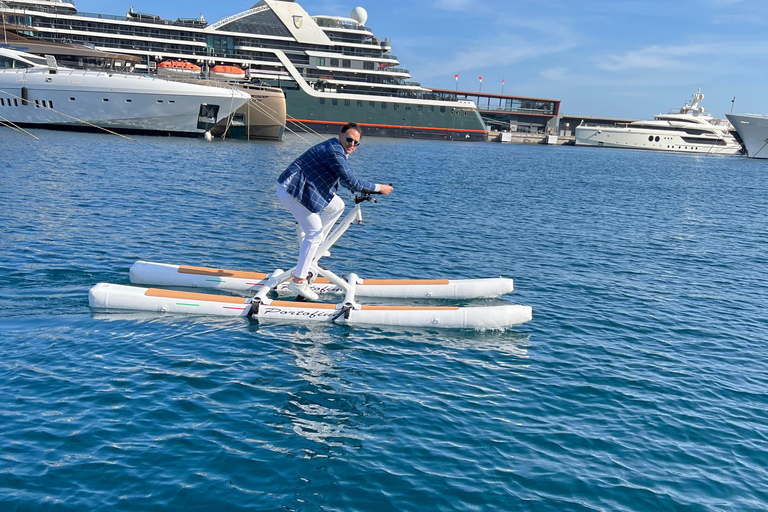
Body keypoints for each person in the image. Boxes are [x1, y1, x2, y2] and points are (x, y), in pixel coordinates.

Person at [276, 122, 393, 300]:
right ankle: (298, 281)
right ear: (341, 135)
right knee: (314, 233)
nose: (352, 145)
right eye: (349, 140)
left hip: (305, 187)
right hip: (292, 189)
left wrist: (365, 189)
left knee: (337, 205)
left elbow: (346, 181)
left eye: (356, 143)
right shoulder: (335, 152)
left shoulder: (337, 150)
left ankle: (315, 249)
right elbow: (353, 182)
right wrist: (378, 188)